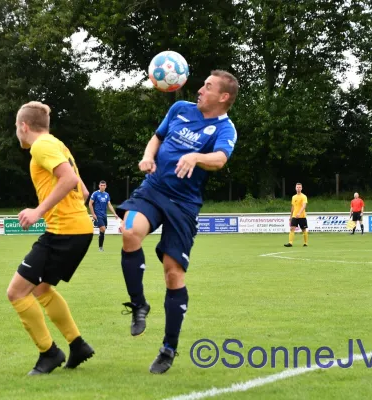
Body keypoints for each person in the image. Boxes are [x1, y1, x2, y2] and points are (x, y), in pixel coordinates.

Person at [115, 70, 239, 374]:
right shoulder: (179, 109)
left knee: (173, 275)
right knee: (130, 231)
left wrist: (196, 157)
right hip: (153, 190)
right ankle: (139, 305)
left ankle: (168, 348)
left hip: (183, 205)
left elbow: (221, 159)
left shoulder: (225, 128)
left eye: (207, 87)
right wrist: (147, 157)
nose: (199, 90)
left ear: (223, 97)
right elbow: (156, 139)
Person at [7, 101, 95, 376]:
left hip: (64, 231)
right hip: (77, 229)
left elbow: (69, 180)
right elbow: (82, 192)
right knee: (40, 290)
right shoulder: (59, 145)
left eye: (16, 128)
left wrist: (39, 211)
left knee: (17, 292)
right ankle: (77, 345)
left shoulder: (41, 146)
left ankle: (49, 353)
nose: (16, 133)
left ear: (24, 126)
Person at [89, 180, 120, 251]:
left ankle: (100, 247)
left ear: (106, 186)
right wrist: (93, 214)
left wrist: (114, 214)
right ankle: (100, 247)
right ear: (99, 186)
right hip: (98, 214)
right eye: (101, 185)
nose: (102, 187)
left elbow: (109, 205)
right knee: (103, 229)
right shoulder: (95, 194)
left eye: (104, 185)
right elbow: (90, 204)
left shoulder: (107, 194)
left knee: (103, 231)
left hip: (104, 215)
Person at [284, 183, 309, 247]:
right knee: (292, 228)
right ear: (295, 188)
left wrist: (299, 213)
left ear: (301, 188)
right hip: (294, 216)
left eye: (299, 187)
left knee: (304, 230)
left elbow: (304, 206)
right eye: (297, 187)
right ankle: (290, 243)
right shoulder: (294, 197)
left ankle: (305, 243)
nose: (298, 188)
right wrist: (290, 216)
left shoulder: (304, 196)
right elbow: (293, 207)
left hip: (302, 216)